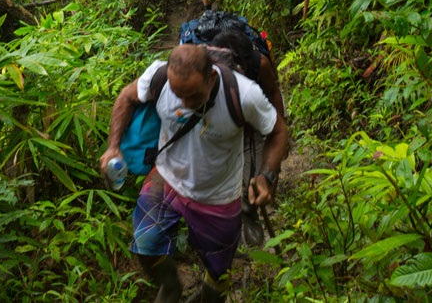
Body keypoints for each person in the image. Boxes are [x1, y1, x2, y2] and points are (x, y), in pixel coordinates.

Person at [99, 44, 289, 303]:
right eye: (179, 95)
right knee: (145, 243)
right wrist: (113, 147)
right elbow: (126, 97)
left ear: (211, 78)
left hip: (218, 195)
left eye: (193, 97)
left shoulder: (243, 94)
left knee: (218, 272)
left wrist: (267, 176)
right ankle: (170, 286)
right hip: (166, 177)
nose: (184, 104)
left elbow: (278, 131)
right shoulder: (159, 76)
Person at [211, 28, 286, 246]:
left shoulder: (258, 65)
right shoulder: (206, 66)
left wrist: (281, 127)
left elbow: (273, 92)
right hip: (223, 111)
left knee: (257, 163)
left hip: (256, 111)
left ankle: (249, 209)